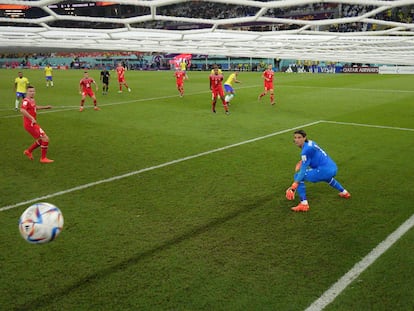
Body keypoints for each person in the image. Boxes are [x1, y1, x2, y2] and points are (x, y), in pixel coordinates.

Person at [285, 130, 351, 212]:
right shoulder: (311, 142)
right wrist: (302, 161)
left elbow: (303, 170)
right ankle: (345, 193)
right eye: (295, 138)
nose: (297, 140)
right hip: (332, 167)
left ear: (304, 138)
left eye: (299, 137)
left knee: (298, 176)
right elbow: (314, 154)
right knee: (327, 178)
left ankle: (304, 204)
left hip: (324, 170)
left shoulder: (305, 151)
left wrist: (294, 186)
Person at [20, 85, 54, 163]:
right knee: (45, 138)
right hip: (30, 124)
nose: (32, 93)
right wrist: (31, 118)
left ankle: (28, 151)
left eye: (33, 91)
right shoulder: (26, 100)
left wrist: (46, 107)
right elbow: (22, 110)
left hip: (33, 123)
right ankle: (43, 158)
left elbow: (35, 107)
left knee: (41, 139)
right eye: (30, 91)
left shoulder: (32, 100)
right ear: (26, 92)